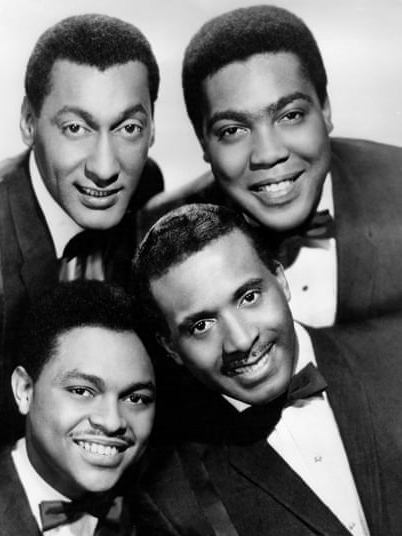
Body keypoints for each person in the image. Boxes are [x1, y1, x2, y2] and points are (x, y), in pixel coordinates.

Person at [131, 203, 402, 536]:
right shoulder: (174, 504)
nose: (240, 340)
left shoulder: (395, 353)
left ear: (281, 278)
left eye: (248, 297)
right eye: (201, 326)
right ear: (170, 348)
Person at [0, 13, 163, 462]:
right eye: (76, 128)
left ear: (151, 127)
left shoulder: (146, 187)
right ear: (29, 123)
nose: (106, 168)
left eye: (128, 128)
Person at [141, 4, 402, 329]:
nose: (268, 154)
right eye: (232, 130)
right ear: (203, 144)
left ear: (325, 110)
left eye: (289, 116)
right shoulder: (151, 237)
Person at [0, 281, 156, 536]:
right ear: (25, 390)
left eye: (135, 398)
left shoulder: (161, 516)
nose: (112, 421)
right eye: (81, 391)